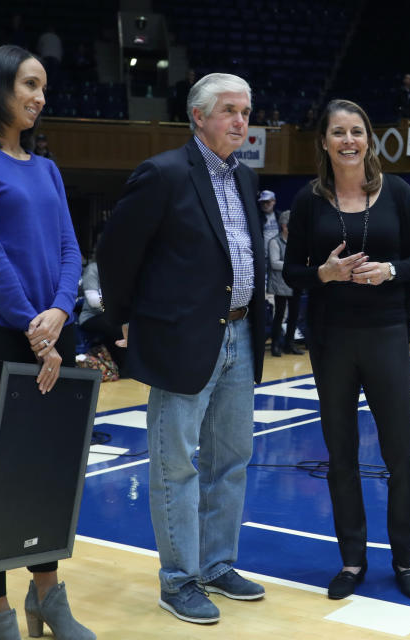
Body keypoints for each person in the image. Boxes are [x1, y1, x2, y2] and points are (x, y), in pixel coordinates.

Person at [97, 72, 267, 624]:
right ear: (199, 116)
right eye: (229, 111)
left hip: (240, 332)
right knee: (177, 466)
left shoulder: (246, 178)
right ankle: (179, 580)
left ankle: (217, 564)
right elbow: (116, 253)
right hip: (182, 339)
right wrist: (117, 326)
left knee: (232, 460)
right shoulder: (164, 174)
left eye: (245, 111)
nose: (241, 121)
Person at [0, 44, 93, 640]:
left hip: (46, 332)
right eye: (29, 85)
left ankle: (49, 598)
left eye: (43, 88)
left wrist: (59, 310)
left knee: (46, 467)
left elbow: (68, 250)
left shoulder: (47, 168)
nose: (38, 97)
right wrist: (39, 333)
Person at [283, 99, 410, 601]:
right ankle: (351, 561)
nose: (349, 141)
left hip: (387, 331)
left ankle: (405, 560)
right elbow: (291, 273)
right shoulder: (308, 201)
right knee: (340, 452)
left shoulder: (400, 193)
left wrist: (390, 270)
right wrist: (322, 274)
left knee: (400, 452)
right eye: (339, 133)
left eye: (357, 131)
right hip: (331, 338)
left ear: (370, 138)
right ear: (323, 142)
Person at [78, 256, 126, 369]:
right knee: (116, 326)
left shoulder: (121, 271)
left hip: (113, 315)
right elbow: (93, 300)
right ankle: (124, 369)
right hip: (91, 316)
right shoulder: (93, 269)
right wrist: (114, 304)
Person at [267, 210, 303, 357]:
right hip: (280, 284)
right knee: (279, 315)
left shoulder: (297, 241)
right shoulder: (274, 242)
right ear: (284, 226)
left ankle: (289, 344)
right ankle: (275, 344)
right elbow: (274, 263)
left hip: (295, 283)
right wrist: (294, 265)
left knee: (294, 315)